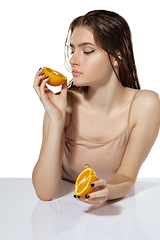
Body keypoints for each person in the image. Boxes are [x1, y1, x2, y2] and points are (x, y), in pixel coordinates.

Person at [32, 10, 160, 206]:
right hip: (63, 211)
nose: (73, 59)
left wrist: (107, 192)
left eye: (88, 50)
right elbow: (45, 193)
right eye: (72, 50)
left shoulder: (145, 105)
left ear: (117, 57)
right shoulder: (63, 105)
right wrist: (56, 118)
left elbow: (126, 176)